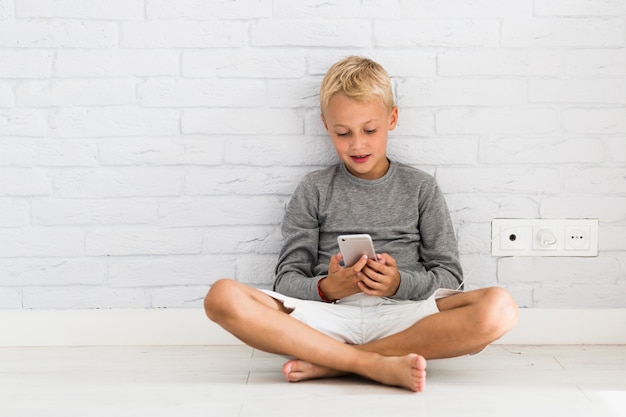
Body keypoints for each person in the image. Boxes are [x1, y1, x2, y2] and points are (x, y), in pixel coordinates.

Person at [204, 56, 518, 392]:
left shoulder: (421, 188)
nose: (357, 144)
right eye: (343, 133)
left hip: (404, 316)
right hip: (328, 317)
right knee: (221, 296)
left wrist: (397, 283)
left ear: (392, 118)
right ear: (327, 126)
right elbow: (286, 280)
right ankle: (369, 364)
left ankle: (333, 363)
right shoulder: (314, 189)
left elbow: (450, 278)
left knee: (499, 308)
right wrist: (328, 288)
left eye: (370, 130)